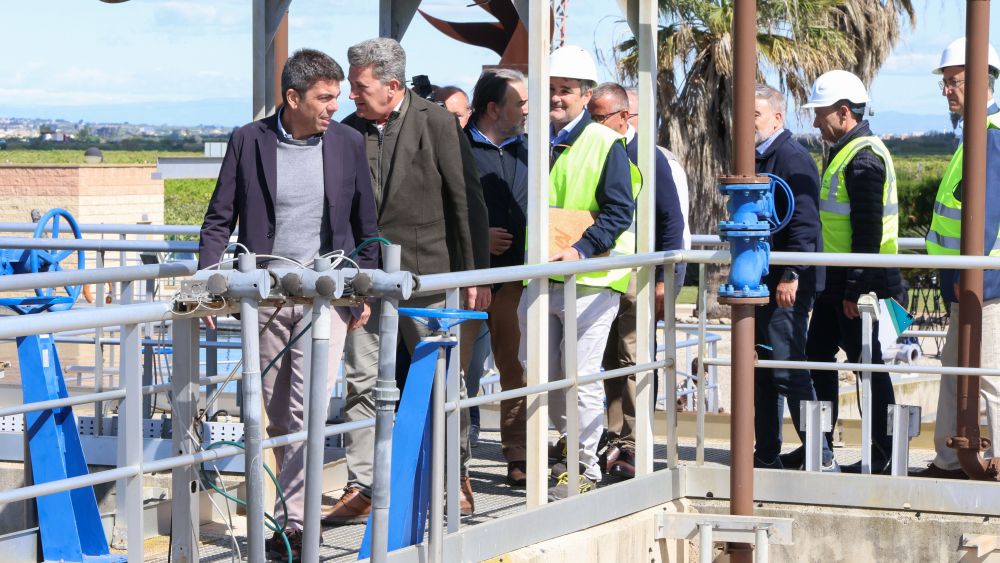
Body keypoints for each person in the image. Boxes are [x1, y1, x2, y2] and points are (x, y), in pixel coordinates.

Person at [198, 48, 379, 559]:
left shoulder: (346, 142)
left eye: (337, 97)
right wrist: (209, 281)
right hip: (266, 299)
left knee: (307, 408)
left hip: (327, 300)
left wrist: (362, 289)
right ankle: (287, 519)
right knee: (278, 414)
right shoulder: (248, 140)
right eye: (324, 98)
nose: (334, 107)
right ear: (293, 97)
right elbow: (219, 218)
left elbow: (365, 223)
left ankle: (295, 525)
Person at [323, 37, 490, 524]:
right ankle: (364, 485)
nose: (351, 94)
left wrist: (475, 274)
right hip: (364, 281)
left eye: (359, 86)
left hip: (430, 277)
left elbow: (466, 201)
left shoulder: (437, 122)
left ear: (392, 85)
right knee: (361, 382)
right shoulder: (346, 131)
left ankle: (454, 477)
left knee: (440, 379)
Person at [517, 45, 638, 500]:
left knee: (581, 377)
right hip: (540, 277)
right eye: (550, 88)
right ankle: (575, 444)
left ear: (586, 96)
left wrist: (582, 249)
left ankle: (583, 468)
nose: (556, 97)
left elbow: (619, 211)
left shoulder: (605, 143)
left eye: (565, 89)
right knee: (539, 373)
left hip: (589, 282)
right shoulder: (536, 139)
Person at [796, 70, 900, 474]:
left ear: (844, 112)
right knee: (819, 357)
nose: (815, 122)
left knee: (867, 366)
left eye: (819, 113)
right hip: (836, 283)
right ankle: (820, 448)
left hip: (858, 287)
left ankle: (885, 455)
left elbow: (868, 232)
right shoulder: (847, 151)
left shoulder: (864, 157)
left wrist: (855, 290)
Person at [912, 38, 1000, 479]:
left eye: (954, 81)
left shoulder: (991, 133)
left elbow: (987, 212)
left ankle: (996, 463)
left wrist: (971, 273)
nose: (947, 90)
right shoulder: (974, 132)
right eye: (944, 83)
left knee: (988, 377)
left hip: (985, 283)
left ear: (983, 79)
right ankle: (948, 462)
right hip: (966, 281)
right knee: (955, 373)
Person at [587, 82, 684, 479]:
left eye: (601, 118)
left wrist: (664, 280)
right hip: (603, 272)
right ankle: (615, 437)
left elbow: (671, 220)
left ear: (624, 116)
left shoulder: (646, 154)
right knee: (607, 358)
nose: (594, 125)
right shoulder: (594, 146)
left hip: (637, 274)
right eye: (591, 118)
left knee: (632, 357)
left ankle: (632, 444)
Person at [750, 84, 834, 471]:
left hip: (786, 283)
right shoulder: (761, 157)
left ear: (777, 117)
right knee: (766, 370)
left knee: (786, 367)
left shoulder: (791, 158)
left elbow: (805, 223)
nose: (748, 123)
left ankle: (821, 456)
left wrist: (792, 273)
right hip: (763, 280)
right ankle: (766, 454)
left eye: (755, 115)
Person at [461, 68, 531, 486]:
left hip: (515, 282)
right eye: (519, 103)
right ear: (493, 108)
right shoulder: (457, 148)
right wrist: (479, 237)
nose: (526, 110)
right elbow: (444, 208)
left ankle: (518, 454)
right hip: (466, 279)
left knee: (515, 369)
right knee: (456, 370)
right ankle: (455, 461)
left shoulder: (532, 151)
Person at [626, 88, 691, 299]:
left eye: (627, 115)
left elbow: (675, 222)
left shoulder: (661, 159)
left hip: (646, 272)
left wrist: (667, 279)